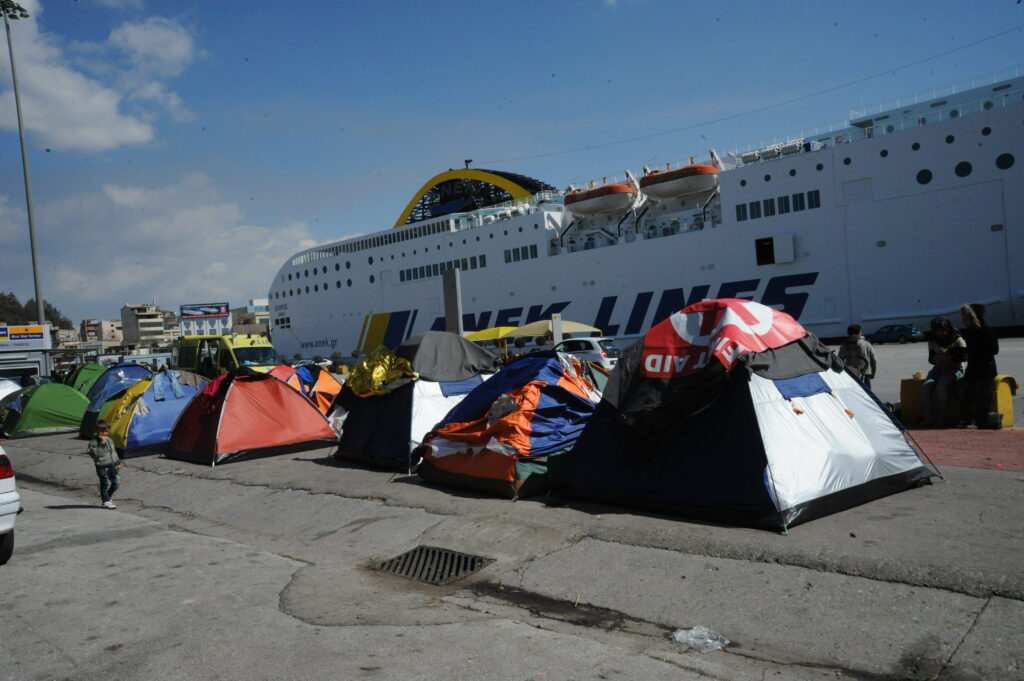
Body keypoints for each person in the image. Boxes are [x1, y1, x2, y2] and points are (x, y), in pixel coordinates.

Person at [957, 303, 999, 429]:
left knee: (980, 392)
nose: (964, 321)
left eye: (967, 318)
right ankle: (966, 419)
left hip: (986, 368)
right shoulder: (969, 332)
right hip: (973, 369)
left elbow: (994, 350)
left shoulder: (987, 331)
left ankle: (983, 419)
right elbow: (969, 350)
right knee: (963, 390)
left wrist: (973, 353)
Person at [920, 316, 966, 427]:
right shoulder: (932, 340)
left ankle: (942, 419)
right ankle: (929, 418)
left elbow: (964, 357)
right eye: (938, 331)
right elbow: (930, 358)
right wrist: (936, 358)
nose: (941, 334)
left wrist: (949, 355)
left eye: (943, 331)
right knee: (926, 386)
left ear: (947, 328)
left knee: (941, 387)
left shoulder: (957, 339)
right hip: (939, 368)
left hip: (955, 368)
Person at [87, 420, 123, 509]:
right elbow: (98, 454)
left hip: (112, 465)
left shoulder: (109, 440)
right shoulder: (94, 442)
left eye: (106, 431)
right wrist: (102, 443)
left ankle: (108, 496)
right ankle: (105, 501)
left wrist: (118, 462)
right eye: (101, 431)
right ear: (96, 431)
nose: (104, 433)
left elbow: (113, 452)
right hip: (102, 467)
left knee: (116, 482)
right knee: (105, 483)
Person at [838, 324, 877, 388]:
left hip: (850, 374)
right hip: (864, 373)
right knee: (866, 392)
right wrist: (873, 373)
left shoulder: (844, 345)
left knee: (853, 392)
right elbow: (874, 360)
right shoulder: (866, 344)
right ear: (859, 333)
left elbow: (839, 360)